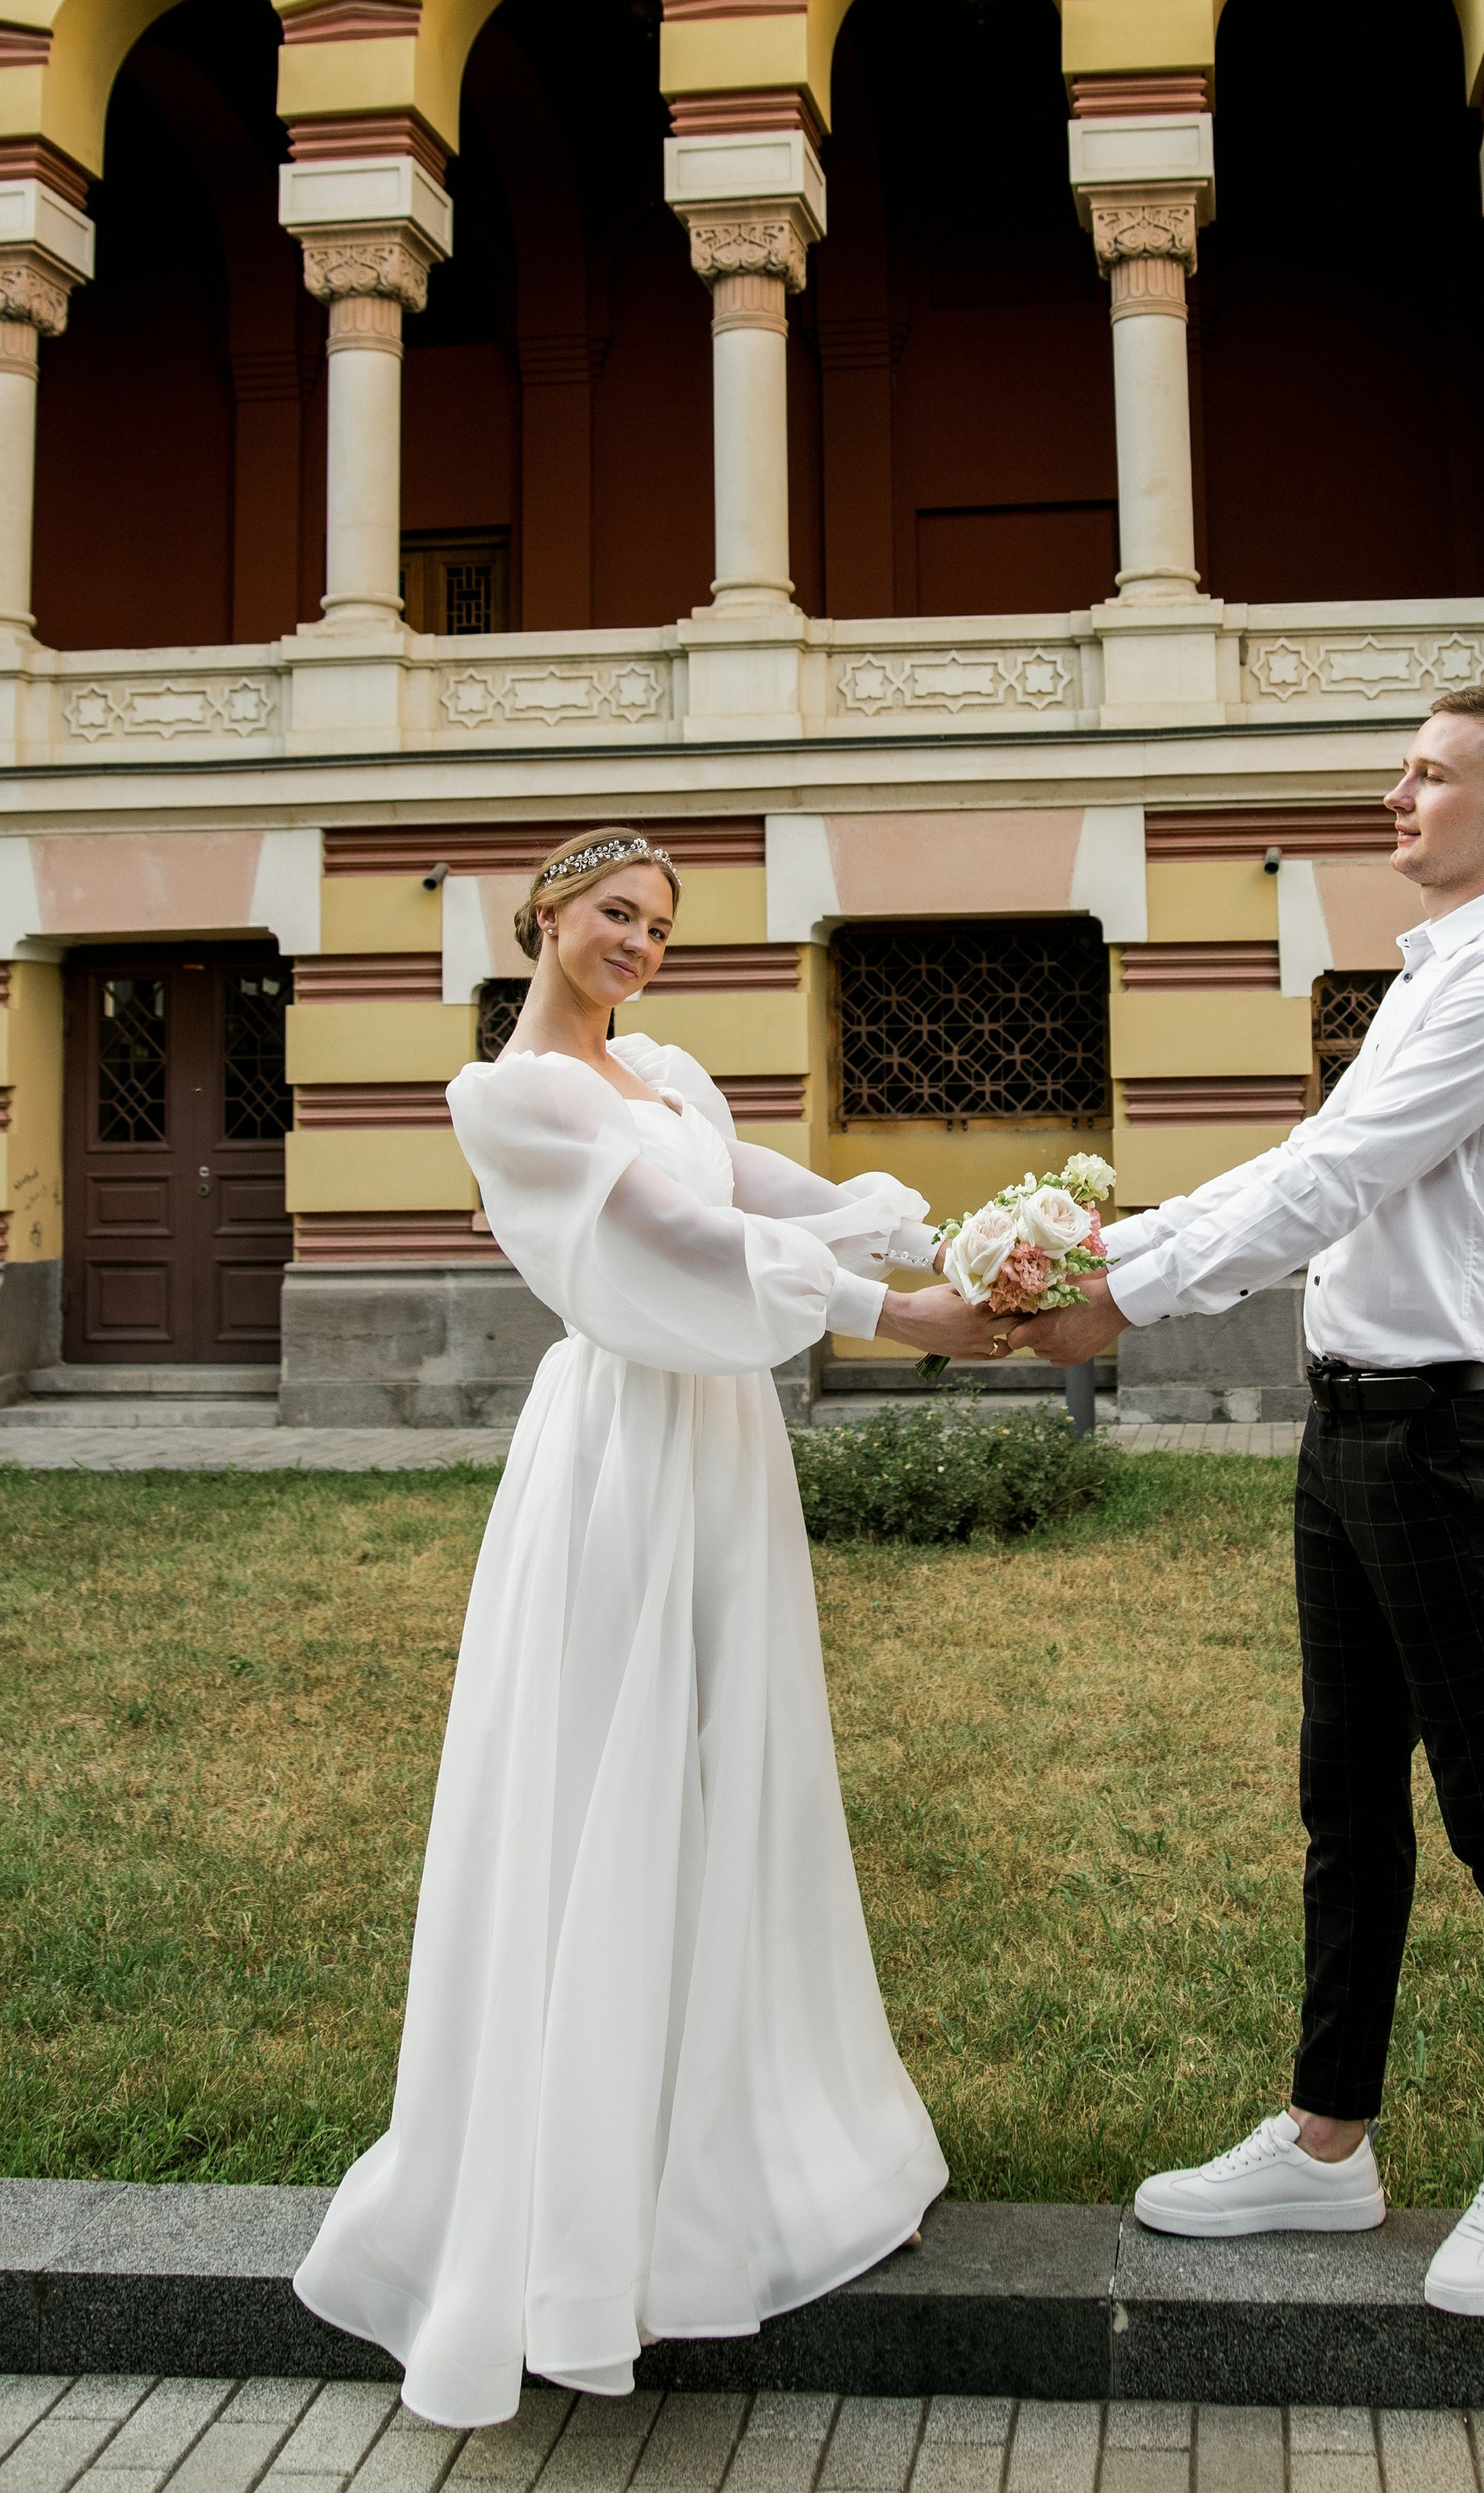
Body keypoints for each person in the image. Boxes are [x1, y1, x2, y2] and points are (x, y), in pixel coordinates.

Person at [294, 825, 1002, 2429]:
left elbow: (760, 1191)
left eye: (661, 926)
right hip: (622, 1453)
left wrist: (935, 1239)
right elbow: (670, 1249)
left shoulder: (661, 1070)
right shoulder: (517, 1099)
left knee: (718, 1768)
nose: (638, 942)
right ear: (543, 914)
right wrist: (891, 1316)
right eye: (616, 913)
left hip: (719, 1451)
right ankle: (583, 2199)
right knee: (610, 1776)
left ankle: (731, 2134)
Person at [1020, 689, 1484, 2318]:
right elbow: (1307, 1158)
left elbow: (1322, 1188)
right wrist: (1095, 1256)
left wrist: (1116, 1304)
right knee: (1345, 1804)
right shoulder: (1437, 978)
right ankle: (1325, 2142)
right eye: (1401, 770)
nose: (1393, 795)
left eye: (1424, 776)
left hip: (1445, 1439)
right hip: (1351, 1432)